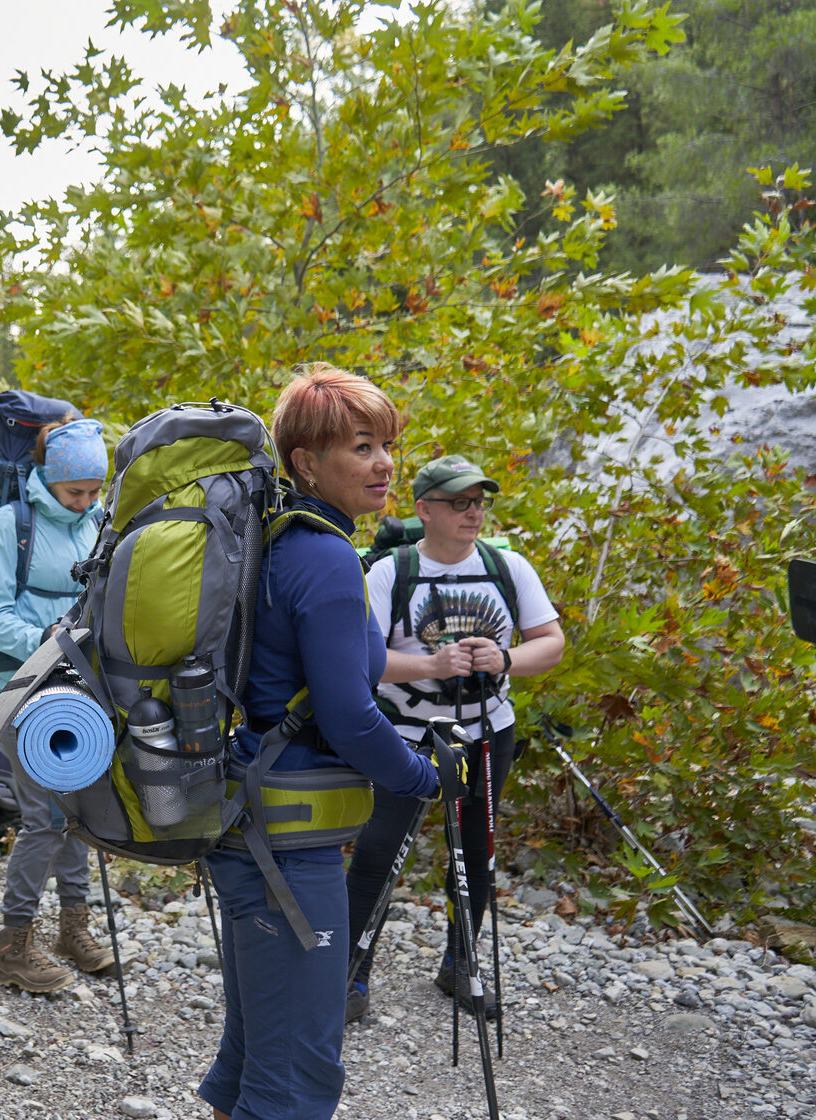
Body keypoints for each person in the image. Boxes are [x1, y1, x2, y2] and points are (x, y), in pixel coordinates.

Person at [199, 366, 456, 1120]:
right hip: (290, 838)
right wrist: (423, 778)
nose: (384, 465)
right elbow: (348, 717)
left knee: (252, 1050)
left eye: (388, 447)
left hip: (249, 814)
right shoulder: (329, 559)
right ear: (306, 462)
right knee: (298, 1076)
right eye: (362, 447)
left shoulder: (273, 543)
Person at [344, 454, 565, 1022]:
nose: (474, 512)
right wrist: (433, 666)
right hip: (404, 735)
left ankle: (460, 965)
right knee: (378, 851)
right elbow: (358, 663)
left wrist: (506, 657)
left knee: (475, 850)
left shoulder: (508, 567)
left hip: (490, 731)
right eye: (460, 502)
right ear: (425, 509)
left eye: (480, 501)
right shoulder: (389, 573)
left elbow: (552, 643)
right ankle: (349, 975)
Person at [0, 418, 112, 993]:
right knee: (45, 817)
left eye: (92, 491)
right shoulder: (13, 523)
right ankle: (13, 945)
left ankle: (72, 929)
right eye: (73, 491)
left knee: (80, 813)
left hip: (86, 687)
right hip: (23, 686)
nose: (84, 501)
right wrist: (52, 638)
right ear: (47, 480)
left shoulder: (101, 524)